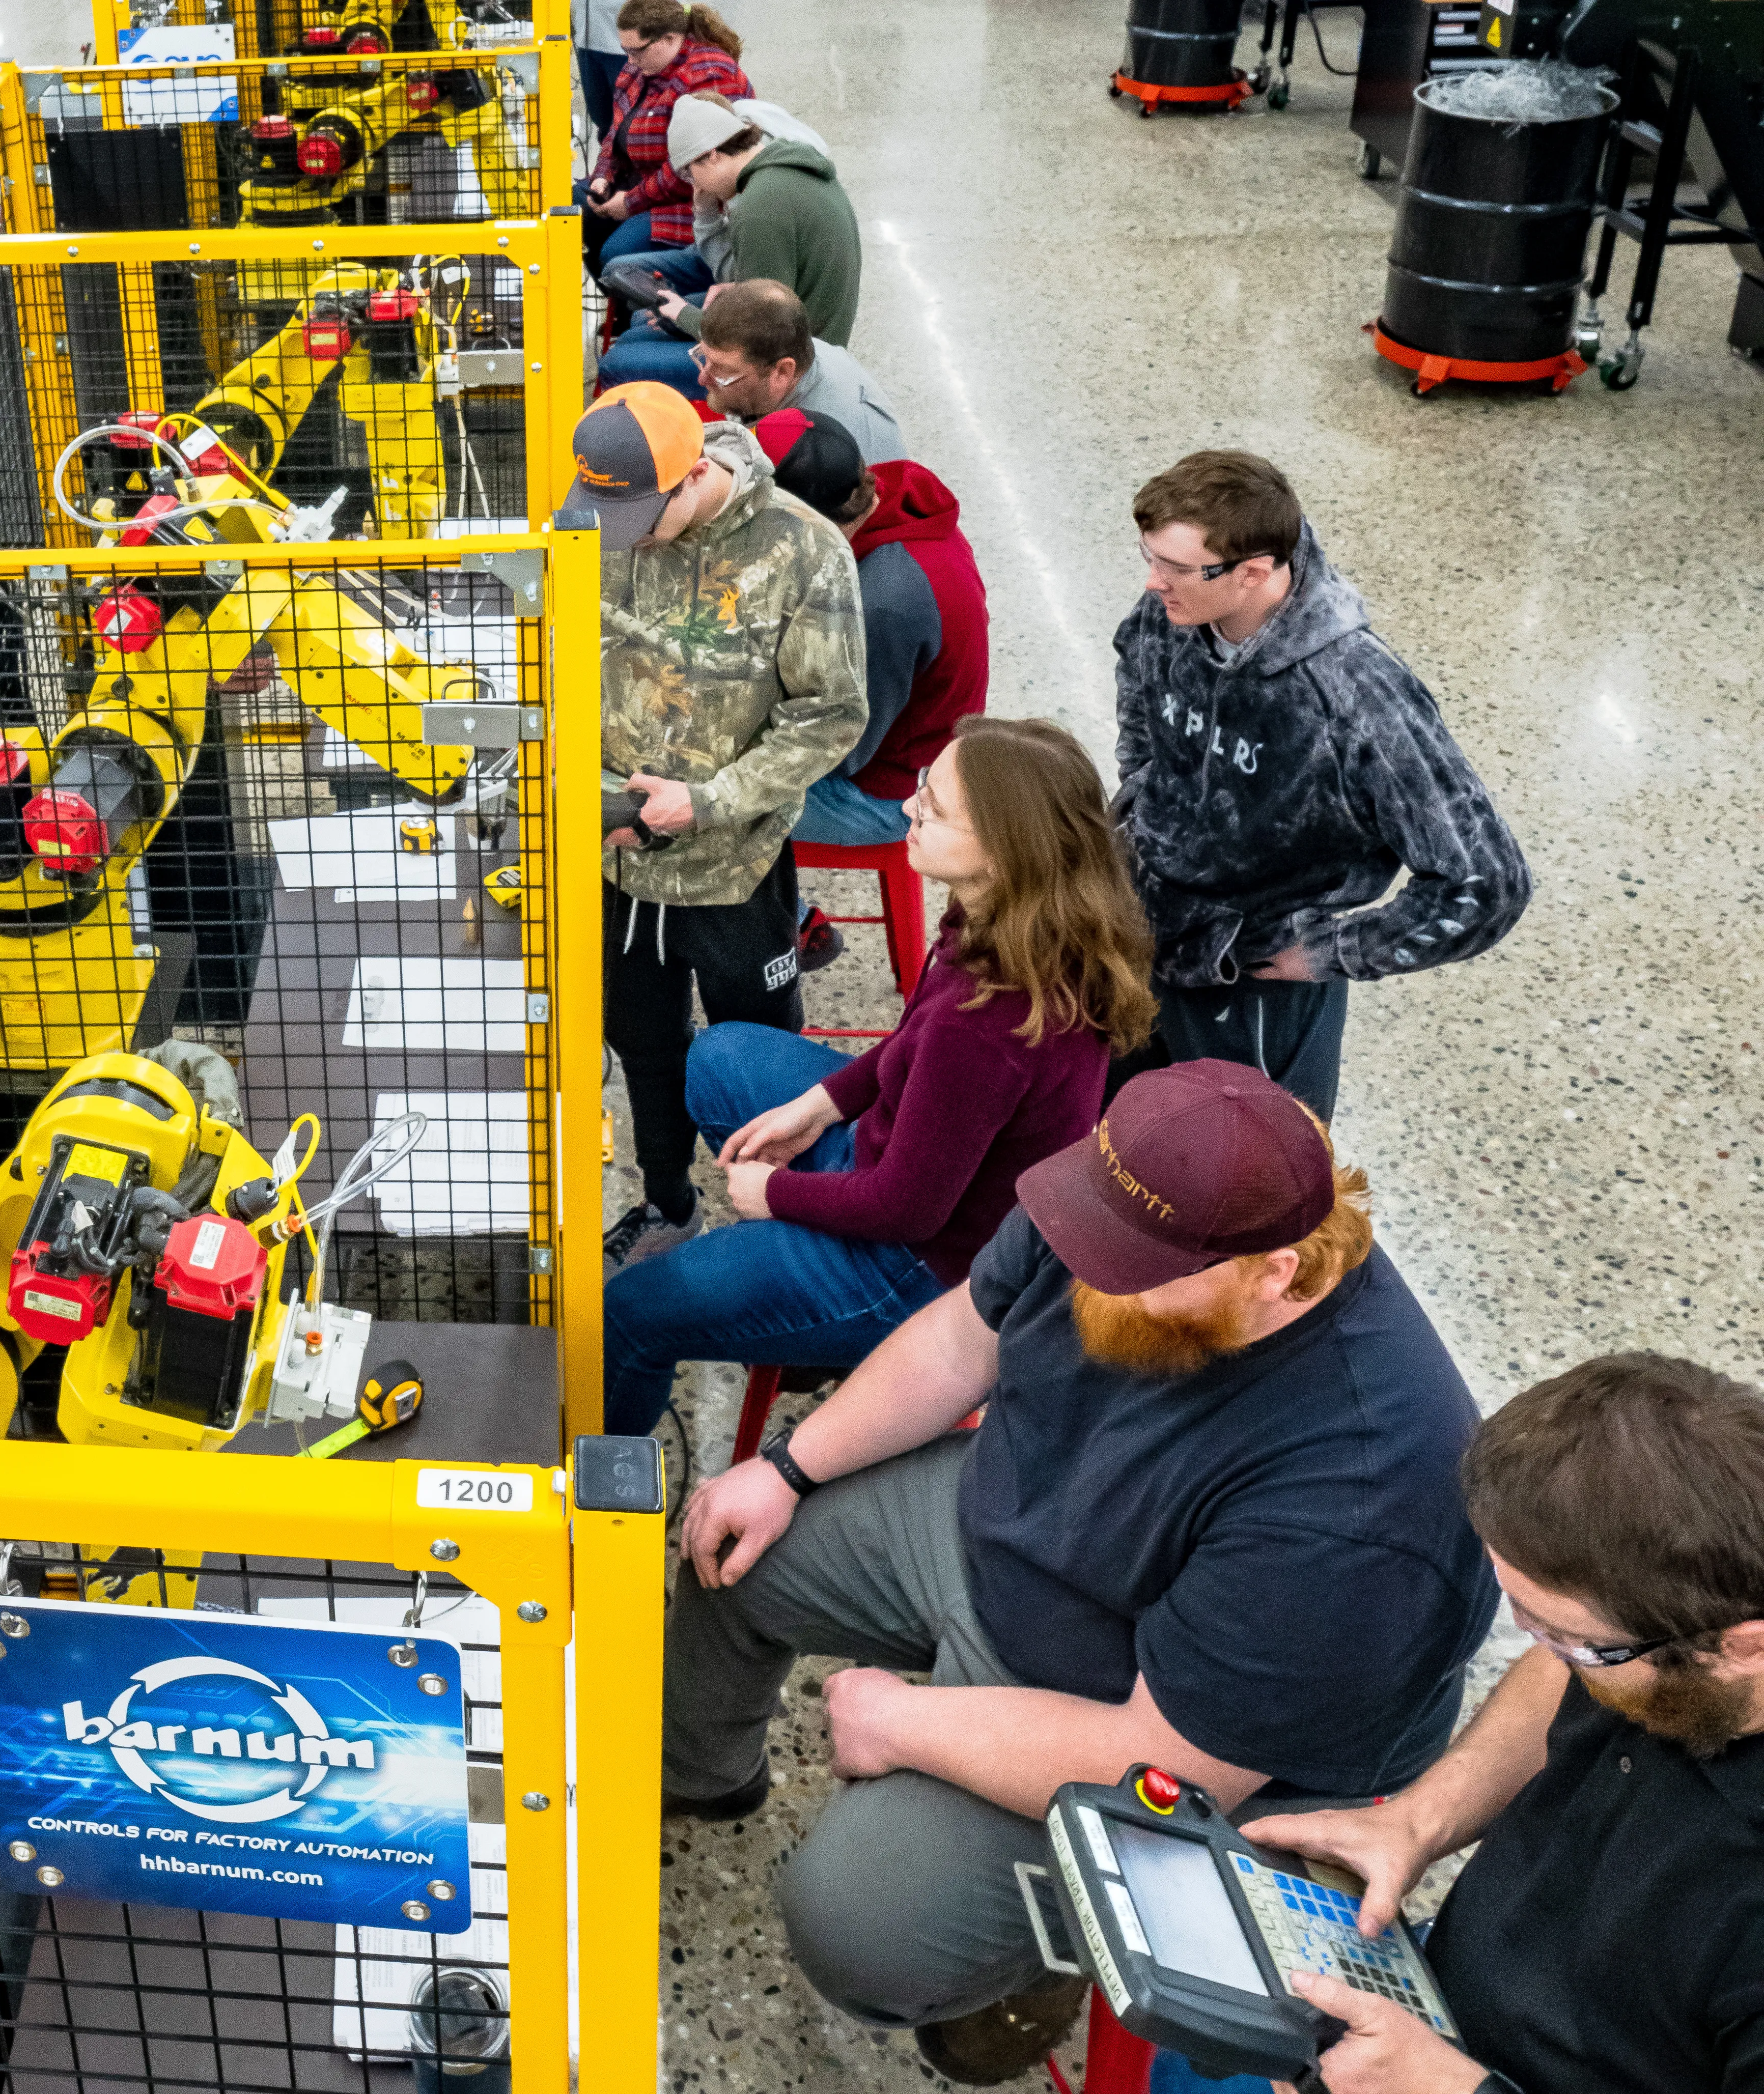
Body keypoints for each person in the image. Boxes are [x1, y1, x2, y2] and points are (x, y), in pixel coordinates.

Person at [665, 1063, 1495, 2086]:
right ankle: (701, 1777)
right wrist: (788, 1467)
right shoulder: (1130, 1197)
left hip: (1165, 1724)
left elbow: (1167, 1757)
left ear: (1275, 1273)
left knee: (852, 1924)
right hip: (1020, 1527)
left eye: (1129, 1265)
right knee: (731, 1549)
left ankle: (1028, 1971)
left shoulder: (1371, 1493)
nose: (1086, 1266)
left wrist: (903, 1722)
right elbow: (963, 1338)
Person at [600, 716, 1154, 1437]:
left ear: (1004, 848)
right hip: (901, 1166)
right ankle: (790, 1304)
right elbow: (911, 1046)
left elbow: (906, 1209)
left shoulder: (991, 1024)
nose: (907, 807)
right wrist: (821, 1104)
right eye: (924, 787)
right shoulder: (1012, 918)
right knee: (719, 1057)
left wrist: (774, 1193)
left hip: (915, 1270)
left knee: (630, 1313)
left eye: (935, 808)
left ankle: (601, 1473)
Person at [1244, 1352, 1764, 2094]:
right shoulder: (1668, 1611)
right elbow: (1559, 1668)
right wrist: (1419, 1821)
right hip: (1435, 1997)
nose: (1535, 1642)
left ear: (1744, 1646)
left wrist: (1443, 2086)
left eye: (1568, 1637)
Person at [1112, 450, 1530, 1122]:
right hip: (1141, 938)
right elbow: (1137, 672)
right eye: (1150, 556)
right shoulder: (1175, 609)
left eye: (1175, 567)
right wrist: (1142, 784)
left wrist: (1340, 950)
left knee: (1247, 1169)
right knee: (1124, 1140)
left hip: (1251, 987)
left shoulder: (1359, 696)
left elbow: (1489, 882)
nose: (1153, 581)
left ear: (1253, 571)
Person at [551, 382, 866, 1271]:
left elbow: (830, 715)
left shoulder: (804, 550)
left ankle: (787, 1229)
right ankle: (668, 1202)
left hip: (736, 866)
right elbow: (564, 659)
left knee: (757, 1055)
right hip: (619, 861)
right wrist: (598, 798)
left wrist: (711, 800)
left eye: (641, 519)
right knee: (643, 1043)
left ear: (696, 474)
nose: (625, 539)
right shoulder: (600, 523)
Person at [762, 412, 987, 851]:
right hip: (906, 735)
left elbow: (837, 750)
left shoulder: (883, 601)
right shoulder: (891, 499)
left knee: (687, 791)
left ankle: (776, 902)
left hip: (885, 795)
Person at [597, 90, 862, 394]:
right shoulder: (786, 168)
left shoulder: (760, 207)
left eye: (691, 174)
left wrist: (685, 316)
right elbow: (773, 293)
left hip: (789, 372)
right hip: (808, 339)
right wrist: (735, 290)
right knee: (638, 329)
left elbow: (760, 334)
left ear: (712, 155)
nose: (695, 186)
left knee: (618, 362)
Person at [576, 0, 750, 268]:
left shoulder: (709, 73)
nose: (630, 60)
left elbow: (697, 162)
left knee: (619, 254)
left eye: (637, 51)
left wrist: (632, 202)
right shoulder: (640, 67)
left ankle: (644, 291)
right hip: (641, 184)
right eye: (626, 51)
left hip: (693, 199)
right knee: (572, 210)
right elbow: (615, 133)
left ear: (670, 39)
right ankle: (613, 286)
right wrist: (603, 176)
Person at [688, 280, 907, 461]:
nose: (702, 378)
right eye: (704, 358)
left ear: (783, 372)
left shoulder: (803, 452)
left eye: (724, 371)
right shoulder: (800, 345)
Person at [573, 0, 626, 142]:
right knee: (599, 114)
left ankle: (628, 149)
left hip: (621, 51)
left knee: (625, 112)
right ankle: (608, 149)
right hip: (587, 49)